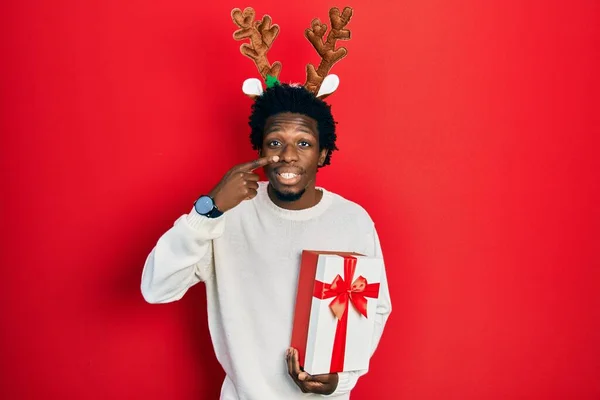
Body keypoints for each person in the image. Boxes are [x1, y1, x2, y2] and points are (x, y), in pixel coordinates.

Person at [141, 84, 392, 399]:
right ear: (260, 150)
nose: (288, 155)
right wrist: (208, 210)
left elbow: (376, 307)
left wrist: (340, 380)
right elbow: (156, 288)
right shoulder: (229, 213)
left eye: (303, 143)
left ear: (323, 154)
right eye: (276, 142)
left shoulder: (353, 220)